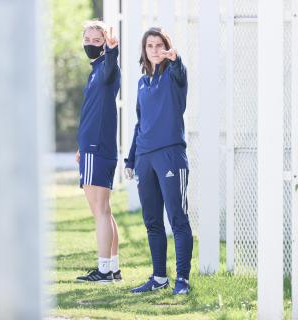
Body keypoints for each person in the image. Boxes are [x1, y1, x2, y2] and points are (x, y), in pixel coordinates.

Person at [125, 27, 193, 294]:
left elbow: (180, 72)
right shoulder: (143, 83)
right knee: (152, 220)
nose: (154, 50)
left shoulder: (174, 76)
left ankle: (182, 280)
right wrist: (131, 159)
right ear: (144, 50)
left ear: (167, 47)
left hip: (170, 156)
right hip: (144, 158)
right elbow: (140, 124)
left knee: (177, 218)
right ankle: (159, 278)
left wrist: (176, 60)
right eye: (149, 46)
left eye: (159, 45)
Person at [75, 20, 122, 284]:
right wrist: (80, 146)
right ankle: (112, 268)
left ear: (105, 43)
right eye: (88, 40)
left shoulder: (106, 67)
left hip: (97, 147)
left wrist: (112, 51)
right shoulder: (95, 71)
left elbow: (110, 71)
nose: (91, 45)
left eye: (97, 40)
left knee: (100, 211)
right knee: (105, 211)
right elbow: (91, 113)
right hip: (90, 147)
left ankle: (104, 270)